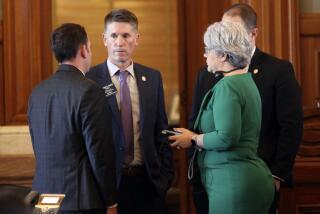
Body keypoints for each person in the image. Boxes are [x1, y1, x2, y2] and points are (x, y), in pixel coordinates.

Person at [188, 3, 303, 214]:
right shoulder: (206, 73)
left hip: (252, 178)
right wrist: (197, 173)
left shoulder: (278, 70)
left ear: (253, 33)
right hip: (210, 180)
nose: (225, 36)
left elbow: (291, 127)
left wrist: (277, 175)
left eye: (232, 31)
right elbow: (195, 121)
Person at [170, 21, 275, 214]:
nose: (204, 55)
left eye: (208, 49)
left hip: (233, 184)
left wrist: (192, 139)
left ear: (224, 55)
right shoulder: (246, 80)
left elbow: (227, 137)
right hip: (246, 179)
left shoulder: (228, 86)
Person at [86, 9, 174, 214]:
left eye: (126, 35)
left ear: (136, 39)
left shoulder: (152, 78)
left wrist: (166, 178)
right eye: (114, 36)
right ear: (104, 39)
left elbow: (161, 129)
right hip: (108, 186)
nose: (119, 42)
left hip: (148, 183)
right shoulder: (90, 80)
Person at [28, 23, 117, 214]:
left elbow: (38, 146)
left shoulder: (37, 92)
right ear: (84, 49)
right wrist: (111, 201)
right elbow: (100, 154)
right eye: (90, 47)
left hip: (44, 201)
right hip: (80, 202)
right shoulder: (90, 90)